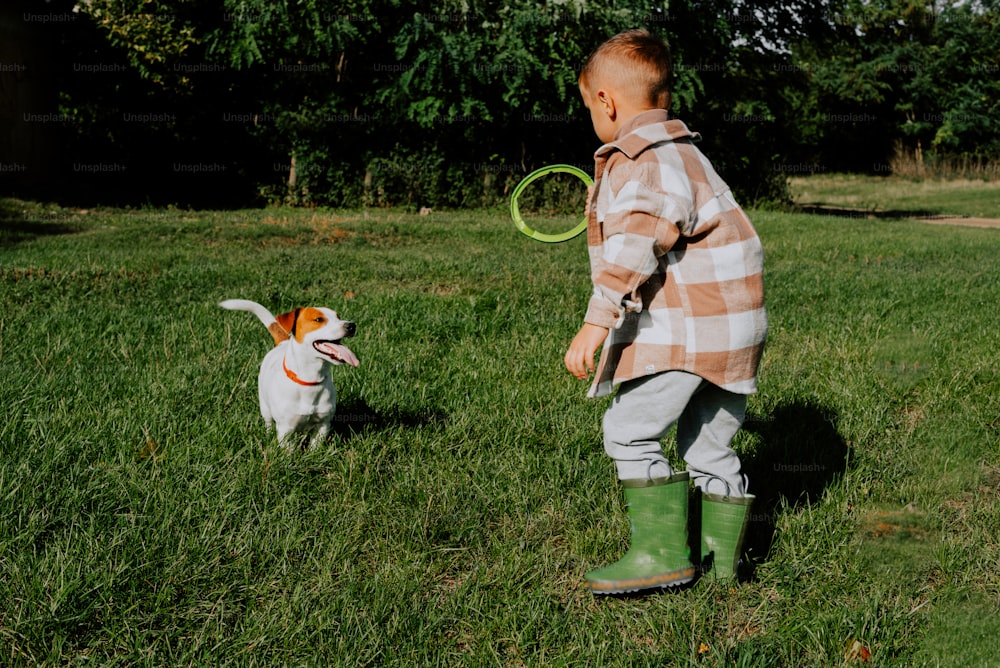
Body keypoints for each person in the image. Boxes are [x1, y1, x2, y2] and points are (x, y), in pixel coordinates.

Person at [564, 29, 768, 595]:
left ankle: (660, 556)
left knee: (628, 431)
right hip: (733, 333)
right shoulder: (688, 153)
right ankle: (724, 568)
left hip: (688, 335)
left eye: (589, 109)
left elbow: (635, 246)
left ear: (606, 101)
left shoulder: (645, 162)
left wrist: (596, 319)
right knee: (707, 445)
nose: (592, 120)